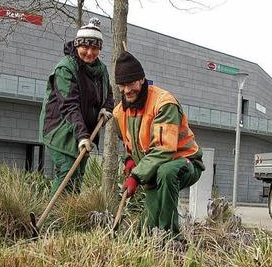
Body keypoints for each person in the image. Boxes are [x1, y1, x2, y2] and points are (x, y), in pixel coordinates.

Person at [113, 51, 205, 234]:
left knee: (166, 171)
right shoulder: (119, 113)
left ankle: (170, 236)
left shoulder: (164, 103)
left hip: (184, 163)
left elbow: (164, 149)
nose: (127, 90)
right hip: (151, 171)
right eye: (122, 86)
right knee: (145, 228)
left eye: (131, 83)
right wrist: (129, 160)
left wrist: (136, 176)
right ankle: (148, 235)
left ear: (141, 80)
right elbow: (128, 143)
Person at [39, 18, 114, 193]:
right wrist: (81, 136)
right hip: (60, 128)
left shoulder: (101, 69)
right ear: (77, 45)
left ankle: (69, 217)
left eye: (95, 48)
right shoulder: (65, 68)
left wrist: (106, 108)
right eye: (85, 47)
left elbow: (109, 93)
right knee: (67, 171)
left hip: (85, 130)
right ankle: (52, 219)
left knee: (78, 174)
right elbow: (69, 105)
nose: (89, 52)